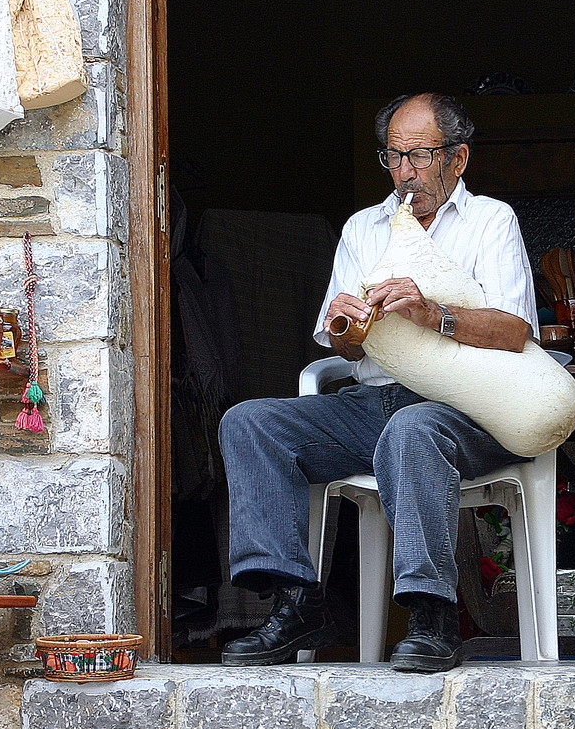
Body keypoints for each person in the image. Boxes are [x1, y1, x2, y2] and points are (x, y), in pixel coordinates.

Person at [217, 93, 538, 672]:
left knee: (413, 428)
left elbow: (516, 330)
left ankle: (431, 614)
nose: (404, 172)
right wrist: (347, 324)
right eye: (393, 157)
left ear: (458, 158)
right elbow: (338, 344)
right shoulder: (364, 227)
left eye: (419, 155)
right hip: (375, 402)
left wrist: (432, 313)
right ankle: (294, 601)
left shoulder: (492, 220)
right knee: (251, 424)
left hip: (466, 405)